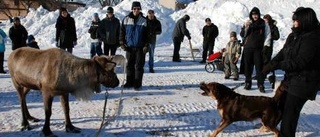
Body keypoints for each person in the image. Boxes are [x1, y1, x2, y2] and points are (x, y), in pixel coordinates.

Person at [262, 7, 320, 137]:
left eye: (296, 21)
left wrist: (277, 66)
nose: (293, 23)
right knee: (280, 106)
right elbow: (283, 52)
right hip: (292, 79)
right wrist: (270, 64)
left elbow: (299, 63)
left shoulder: (313, 39)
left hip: (305, 82)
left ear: (305, 21)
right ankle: (272, 126)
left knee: (289, 115)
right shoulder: (294, 35)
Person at [240, 7, 271, 93]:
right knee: (248, 67)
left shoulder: (264, 23)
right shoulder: (248, 22)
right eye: (253, 14)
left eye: (256, 14)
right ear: (251, 15)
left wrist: (266, 46)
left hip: (258, 49)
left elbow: (268, 35)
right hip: (248, 48)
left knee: (259, 67)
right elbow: (242, 35)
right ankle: (248, 82)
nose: (255, 16)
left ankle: (260, 84)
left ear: (258, 14)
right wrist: (245, 27)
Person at [120, 1, 149, 91]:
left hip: (140, 47)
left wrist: (146, 45)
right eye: (134, 8)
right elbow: (121, 33)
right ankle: (129, 82)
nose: (136, 10)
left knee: (139, 66)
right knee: (129, 65)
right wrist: (122, 43)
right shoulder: (126, 19)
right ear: (132, 9)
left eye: (138, 8)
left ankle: (137, 84)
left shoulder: (144, 20)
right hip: (129, 47)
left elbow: (148, 35)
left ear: (140, 9)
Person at [262, 14, 280, 89]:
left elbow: (277, 36)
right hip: (262, 45)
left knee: (267, 61)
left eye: (266, 20)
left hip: (269, 46)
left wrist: (269, 36)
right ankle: (262, 74)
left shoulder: (273, 27)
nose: (265, 21)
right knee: (262, 60)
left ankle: (271, 76)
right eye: (264, 20)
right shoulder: (263, 26)